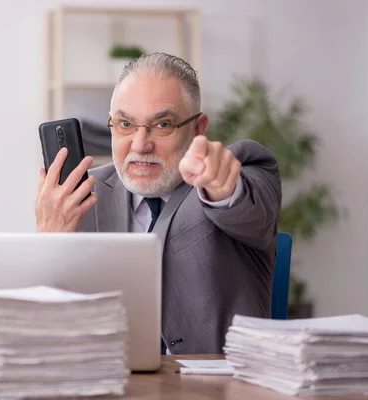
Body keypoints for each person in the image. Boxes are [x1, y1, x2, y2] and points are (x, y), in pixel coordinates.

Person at [34, 52, 282, 355]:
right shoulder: (77, 195)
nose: (140, 144)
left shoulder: (236, 173)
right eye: (125, 123)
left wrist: (222, 188)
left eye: (162, 124)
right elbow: (42, 328)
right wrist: (49, 240)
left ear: (198, 129)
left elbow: (252, 211)